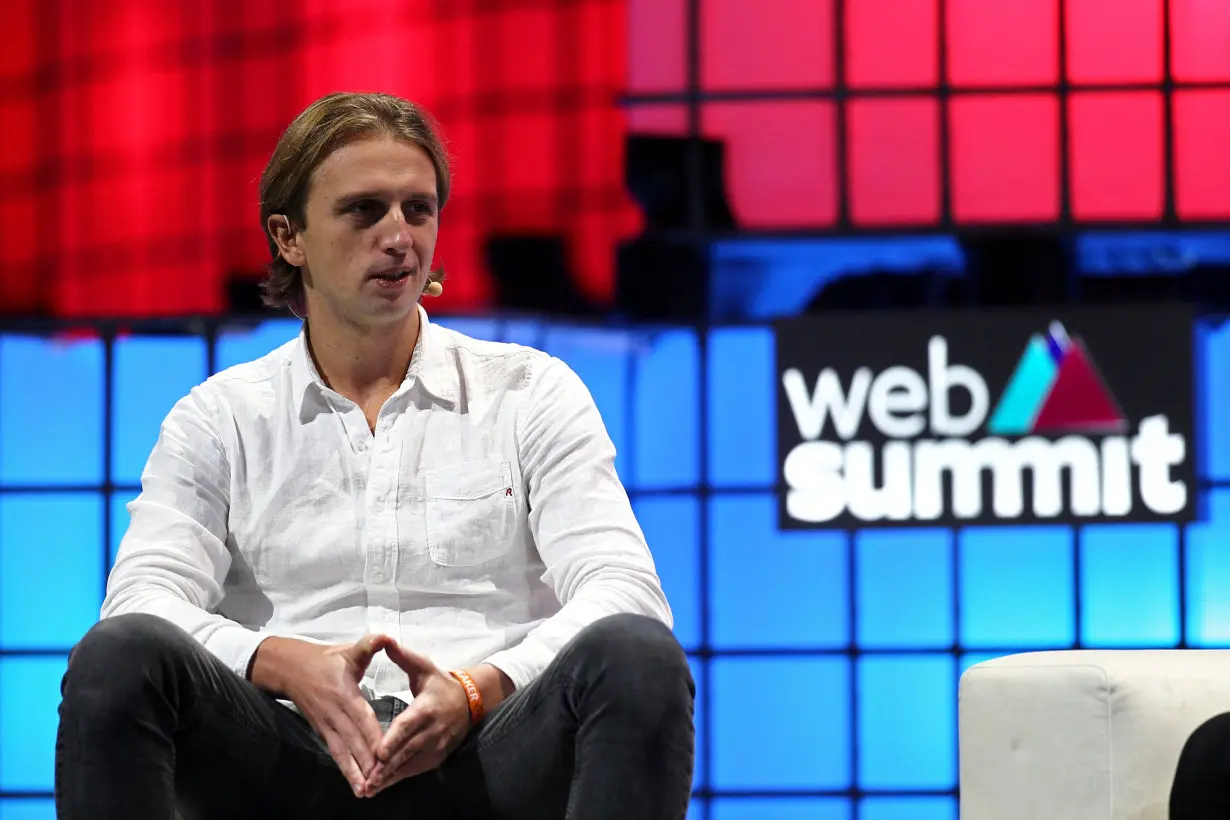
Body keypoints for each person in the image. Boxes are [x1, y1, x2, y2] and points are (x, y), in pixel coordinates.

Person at [54, 91, 695, 820]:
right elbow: (140, 602)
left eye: (418, 211)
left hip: (488, 754)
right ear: (289, 237)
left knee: (638, 656)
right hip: (286, 760)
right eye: (364, 211)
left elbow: (628, 592)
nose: (399, 238)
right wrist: (285, 665)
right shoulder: (220, 417)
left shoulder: (530, 392)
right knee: (118, 658)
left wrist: (477, 688)